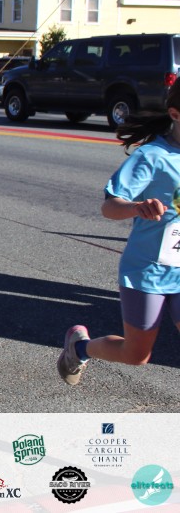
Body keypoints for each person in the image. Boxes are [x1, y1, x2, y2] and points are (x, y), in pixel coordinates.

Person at [58, 80, 180, 385]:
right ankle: (79, 348)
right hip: (148, 270)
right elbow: (110, 206)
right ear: (175, 113)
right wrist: (137, 207)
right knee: (136, 355)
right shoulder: (153, 156)